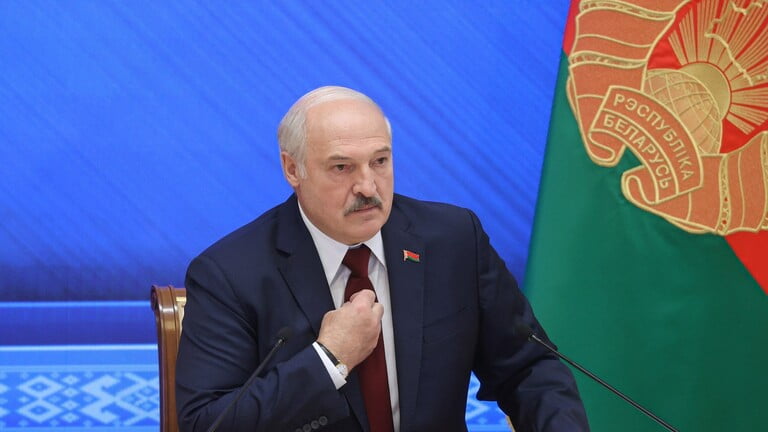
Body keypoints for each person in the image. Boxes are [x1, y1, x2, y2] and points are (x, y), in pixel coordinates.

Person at [175, 86, 589, 431]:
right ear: (292, 168)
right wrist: (328, 360)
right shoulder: (230, 274)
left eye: (380, 161)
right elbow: (207, 423)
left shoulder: (454, 241)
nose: (368, 186)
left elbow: (529, 368)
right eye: (342, 167)